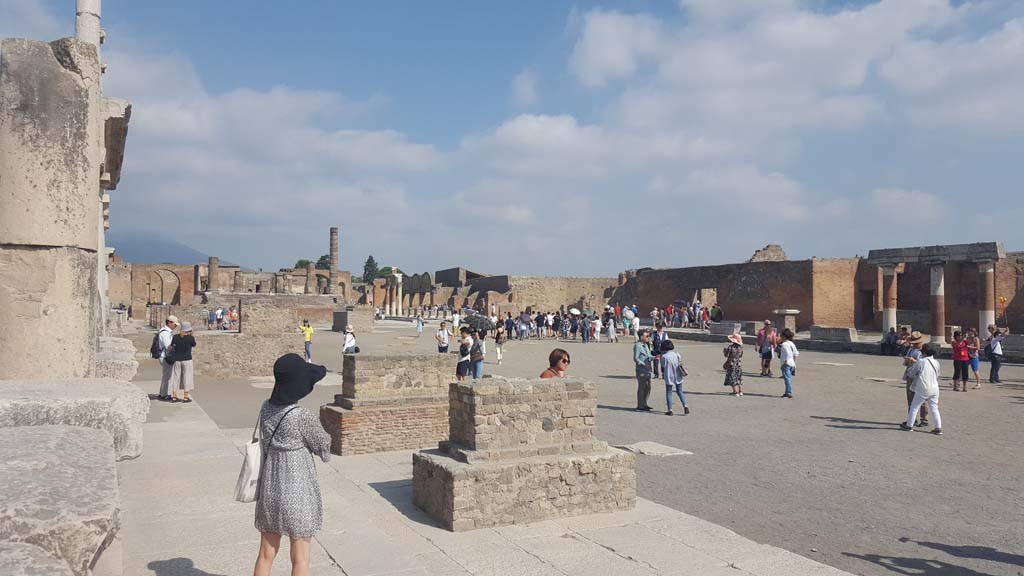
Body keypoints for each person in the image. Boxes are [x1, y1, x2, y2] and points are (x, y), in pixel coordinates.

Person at [252, 354, 332, 576]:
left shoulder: (265, 408)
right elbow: (323, 447)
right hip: (298, 489)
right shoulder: (301, 416)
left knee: (266, 554)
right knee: (300, 558)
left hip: (271, 486)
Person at [899, 344, 943, 435]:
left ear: (924, 353)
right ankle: (938, 427)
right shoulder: (936, 362)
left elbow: (911, 374)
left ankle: (909, 425)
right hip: (935, 387)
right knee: (934, 408)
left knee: (914, 406)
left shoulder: (921, 361)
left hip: (923, 387)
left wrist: (911, 364)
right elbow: (938, 374)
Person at [903, 331, 928, 427]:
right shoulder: (910, 350)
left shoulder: (924, 352)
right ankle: (912, 418)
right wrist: (906, 361)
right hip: (910, 375)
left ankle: (924, 419)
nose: (915, 345)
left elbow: (925, 363)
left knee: (921, 398)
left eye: (917, 343)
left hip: (919, 377)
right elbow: (906, 363)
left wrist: (915, 361)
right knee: (910, 398)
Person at [660, 340, 689, 416]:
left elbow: (663, 366)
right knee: (680, 391)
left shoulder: (664, 357)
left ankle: (670, 409)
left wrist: (662, 374)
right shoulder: (677, 354)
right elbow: (680, 363)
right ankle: (685, 405)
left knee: (669, 392)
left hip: (669, 375)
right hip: (678, 374)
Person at [170, 322, 197, 403]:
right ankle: (185, 396)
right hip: (187, 359)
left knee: (176, 377)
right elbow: (194, 344)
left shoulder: (175, 337)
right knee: (187, 377)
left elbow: (172, 346)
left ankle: (174, 396)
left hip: (177, 359)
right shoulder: (190, 338)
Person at [157, 315, 179, 401]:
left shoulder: (165, 331)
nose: (175, 326)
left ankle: (162, 393)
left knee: (165, 376)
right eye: (174, 324)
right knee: (168, 377)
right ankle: (165, 394)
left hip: (164, 355)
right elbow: (168, 346)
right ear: (169, 323)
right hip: (165, 356)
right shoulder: (165, 333)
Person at [633, 330, 654, 411]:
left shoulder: (646, 345)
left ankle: (645, 403)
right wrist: (643, 364)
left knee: (648, 387)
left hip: (648, 370)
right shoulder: (637, 346)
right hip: (641, 370)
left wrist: (655, 357)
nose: (648, 338)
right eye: (647, 336)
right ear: (642, 337)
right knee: (641, 387)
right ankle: (640, 405)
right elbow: (636, 358)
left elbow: (649, 356)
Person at [778, 328, 799, 398]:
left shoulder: (784, 344)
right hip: (792, 363)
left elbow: (786, 353)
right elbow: (796, 353)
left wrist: (785, 361)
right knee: (788, 378)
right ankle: (787, 391)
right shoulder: (791, 343)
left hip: (786, 364)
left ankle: (788, 392)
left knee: (787, 379)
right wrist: (794, 362)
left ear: (783, 337)